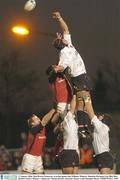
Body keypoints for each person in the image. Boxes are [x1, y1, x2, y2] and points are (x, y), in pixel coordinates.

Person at [52, 11, 93, 114]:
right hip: (78, 76)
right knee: (84, 99)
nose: (62, 36)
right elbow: (62, 66)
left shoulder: (68, 44)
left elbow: (65, 29)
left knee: (76, 98)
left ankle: (70, 117)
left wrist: (59, 18)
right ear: (61, 43)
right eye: (60, 38)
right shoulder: (63, 53)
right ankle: (90, 120)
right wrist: (57, 68)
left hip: (80, 75)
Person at [83, 96, 114, 174]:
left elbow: (92, 116)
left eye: (102, 116)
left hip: (103, 156)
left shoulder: (101, 127)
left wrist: (86, 98)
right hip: (105, 156)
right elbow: (92, 136)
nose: (99, 116)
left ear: (104, 120)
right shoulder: (102, 129)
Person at [21, 108, 55, 174]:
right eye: (36, 119)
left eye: (38, 117)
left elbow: (49, 121)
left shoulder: (43, 129)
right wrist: (53, 109)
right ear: (33, 123)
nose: (38, 118)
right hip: (30, 157)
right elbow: (45, 121)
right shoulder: (33, 129)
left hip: (38, 157)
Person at [54, 95, 79, 174]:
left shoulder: (74, 121)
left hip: (75, 152)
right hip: (68, 152)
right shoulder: (67, 118)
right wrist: (74, 95)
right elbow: (54, 123)